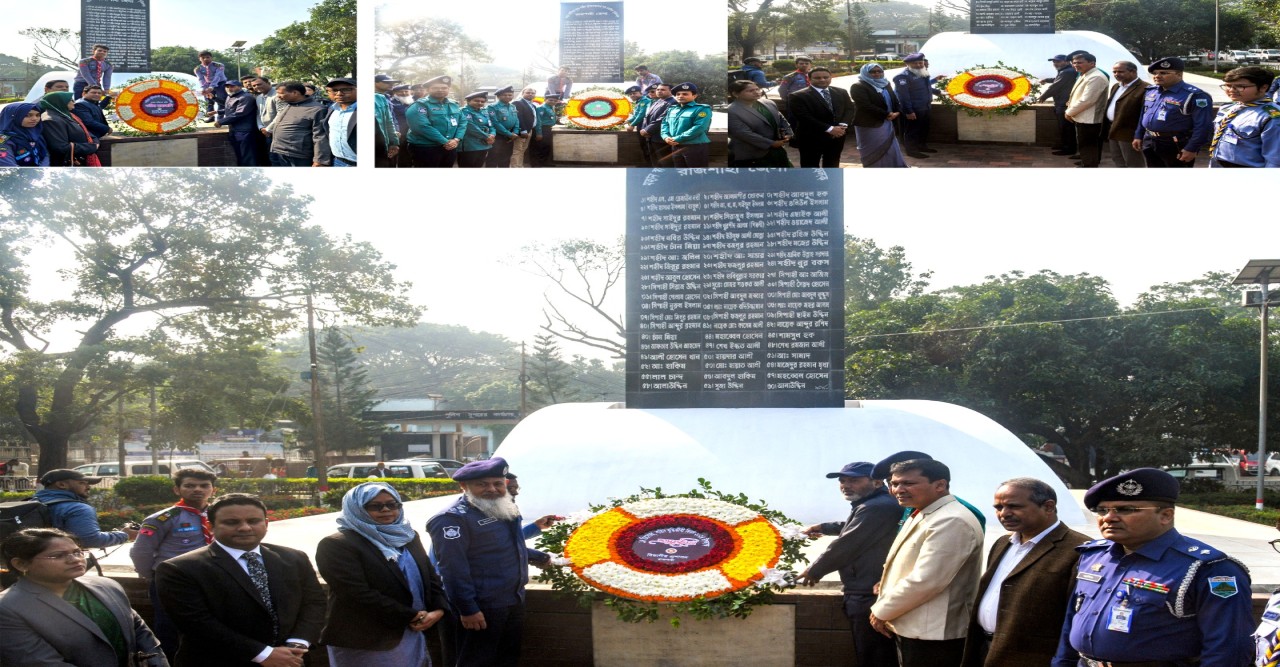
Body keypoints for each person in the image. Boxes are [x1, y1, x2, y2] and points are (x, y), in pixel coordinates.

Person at [1052, 468, 1254, 667]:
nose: (1109, 518)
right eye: (1103, 510)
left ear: (1165, 515)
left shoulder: (1210, 569)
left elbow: (1228, 649)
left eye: (1125, 509)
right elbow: (1072, 622)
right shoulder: (1094, 556)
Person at [154, 493, 325, 667]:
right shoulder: (179, 569)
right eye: (231, 522)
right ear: (210, 526)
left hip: (291, 659)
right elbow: (197, 623)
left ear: (266, 524)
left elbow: (314, 602)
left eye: (253, 521)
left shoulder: (294, 558)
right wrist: (264, 654)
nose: (245, 528)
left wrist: (297, 644)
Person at [961, 478, 1089, 667]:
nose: (1004, 514)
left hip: (1033, 658)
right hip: (985, 650)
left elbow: (1075, 617)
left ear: (1048, 507)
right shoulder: (1003, 543)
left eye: (1014, 506)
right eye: (998, 507)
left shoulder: (1079, 550)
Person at [315, 483, 446, 666]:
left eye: (392, 504)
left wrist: (439, 609)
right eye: (375, 506)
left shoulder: (407, 536)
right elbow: (356, 594)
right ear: (356, 508)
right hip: (369, 640)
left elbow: (430, 577)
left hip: (416, 631)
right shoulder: (337, 545)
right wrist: (412, 615)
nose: (386, 510)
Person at [869, 459, 982, 667]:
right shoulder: (925, 512)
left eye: (908, 483)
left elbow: (927, 580)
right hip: (916, 627)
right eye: (894, 484)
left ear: (940, 485)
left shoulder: (951, 520)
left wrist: (881, 611)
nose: (898, 490)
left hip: (933, 635)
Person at [0, 528, 167, 666]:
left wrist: (157, 661)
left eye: (78, 552)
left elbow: (137, 627)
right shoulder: (9, 608)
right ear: (21, 564)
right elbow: (38, 661)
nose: (75, 560)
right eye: (58, 555)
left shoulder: (106, 586)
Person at [426, 457, 533, 667]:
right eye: (482, 484)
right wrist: (468, 609)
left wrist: (544, 557)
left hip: (512, 601)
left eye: (497, 483)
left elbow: (510, 547)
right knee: (474, 661)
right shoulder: (452, 519)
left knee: (506, 659)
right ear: (464, 486)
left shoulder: (503, 509)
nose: (492, 489)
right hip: (481, 607)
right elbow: (453, 570)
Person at [796, 462, 899, 667]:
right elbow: (853, 526)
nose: (845, 485)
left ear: (877, 482)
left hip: (867, 591)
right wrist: (823, 527)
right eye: (842, 481)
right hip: (864, 587)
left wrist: (815, 570)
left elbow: (847, 544)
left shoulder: (876, 507)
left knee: (874, 654)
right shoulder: (873, 504)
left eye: (854, 480)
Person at [130, 469, 217, 663]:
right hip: (173, 583)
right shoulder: (163, 518)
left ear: (213, 489)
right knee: (170, 629)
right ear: (177, 490)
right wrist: (154, 576)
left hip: (211, 580)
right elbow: (141, 552)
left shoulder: (218, 515)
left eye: (204, 486)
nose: (197, 490)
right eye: (189, 485)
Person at [1132, 57, 1215, 167]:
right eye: (1155, 73)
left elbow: (1203, 126)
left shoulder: (1195, 95)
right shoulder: (1151, 91)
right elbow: (1144, 114)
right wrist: (1138, 135)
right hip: (1149, 140)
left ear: (1179, 74)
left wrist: (1192, 148)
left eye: (1163, 73)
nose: (1157, 76)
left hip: (1175, 143)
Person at [34, 469, 136, 548]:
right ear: (62, 484)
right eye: (82, 483)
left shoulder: (31, 502)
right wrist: (125, 535)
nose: (88, 487)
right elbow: (90, 540)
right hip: (55, 566)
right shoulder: (78, 508)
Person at [1208, 66, 1280, 168]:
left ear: (1263, 87)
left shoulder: (1271, 117)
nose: (1232, 90)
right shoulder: (1228, 108)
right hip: (1217, 164)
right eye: (1228, 85)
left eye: (1240, 86)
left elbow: (1275, 159)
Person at [788, 67, 854, 168]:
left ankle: (830, 183)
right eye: (817, 78)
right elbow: (804, 117)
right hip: (811, 137)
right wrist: (830, 129)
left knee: (832, 164)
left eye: (825, 77)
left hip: (837, 136)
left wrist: (843, 125)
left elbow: (849, 109)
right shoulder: (798, 96)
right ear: (809, 79)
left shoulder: (841, 92)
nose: (822, 80)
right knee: (810, 166)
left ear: (831, 78)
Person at [848, 62, 906, 168]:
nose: (877, 74)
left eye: (879, 71)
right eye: (873, 72)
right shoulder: (858, 86)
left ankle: (892, 166)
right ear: (866, 73)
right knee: (873, 147)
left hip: (888, 121)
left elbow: (894, 99)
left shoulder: (885, 83)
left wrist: (898, 111)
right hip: (870, 123)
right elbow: (864, 105)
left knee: (890, 146)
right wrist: (886, 114)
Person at [727, 80, 793, 167]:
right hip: (753, 155)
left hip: (778, 150)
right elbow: (744, 133)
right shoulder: (731, 111)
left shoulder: (768, 103)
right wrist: (771, 143)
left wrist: (788, 132)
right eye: (750, 91)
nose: (756, 92)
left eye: (757, 89)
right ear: (735, 94)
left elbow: (781, 118)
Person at [266, 81, 330, 167]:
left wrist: (320, 160)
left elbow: (320, 136)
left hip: (298, 155)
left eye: (281, 93)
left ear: (295, 93)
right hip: (279, 151)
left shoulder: (317, 109)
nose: (278, 96)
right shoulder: (289, 105)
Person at [407, 75, 465, 168]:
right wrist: (445, 141)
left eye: (444, 88)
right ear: (428, 89)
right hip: (426, 147)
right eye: (435, 88)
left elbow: (463, 122)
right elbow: (422, 127)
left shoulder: (454, 104)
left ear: (448, 89)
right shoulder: (419, 105)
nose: (440, 90)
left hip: (451, 146)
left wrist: (456, 139)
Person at [893, 53, 943, 157]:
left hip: (925, 106)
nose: (919, 65)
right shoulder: (903, 77)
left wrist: (939, 92)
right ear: (908, 64)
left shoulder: (922, 73)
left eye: (920, 62)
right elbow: (903, 96)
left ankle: (922, 146)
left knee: (924, 128)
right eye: (915, 63)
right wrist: (909, 111)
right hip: (914, 109)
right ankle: (911, 151)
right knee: (912, 130)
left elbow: (926, 87)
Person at [1064, 52, 1109, 168]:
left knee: (1088, 145)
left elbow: (1088, 100)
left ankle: (1089, 165)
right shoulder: (1086, 74)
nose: (1076, 65)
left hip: (1089, 119)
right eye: (1074, 63)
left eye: (1080, 62)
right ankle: (1087, 161)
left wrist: (1069, 112)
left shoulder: (1096, 77)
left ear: (1092, 63)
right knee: (1086, 145)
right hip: (1082, 116)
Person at [1104, 61, 1148, 168]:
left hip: (1129, 133)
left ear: (1133, 72)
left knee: (1134, 162)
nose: (1116, 74)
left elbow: (1145, 114)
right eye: (1114, 72)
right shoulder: (1116, 86)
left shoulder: (1146, 88)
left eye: (1120, 71)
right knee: (1117, 159)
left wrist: (1139, 135)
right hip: (1113, 129)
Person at [40, 92, 100, 167]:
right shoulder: (51, 120)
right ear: (61, 102)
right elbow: (61, 147)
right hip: (67, 166)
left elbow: (85, 131)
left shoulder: (66, 114)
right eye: (71, 100)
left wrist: (95, 141)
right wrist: (92, 147)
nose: (74, 102)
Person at [661, 82, 713, 168]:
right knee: (680, 172)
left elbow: (699, 127)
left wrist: (676, 138)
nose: (680, 96)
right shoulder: (672, 109)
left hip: (694, 146)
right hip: (676, 146)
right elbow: (665, 123)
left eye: (685, 94)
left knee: (696, 173)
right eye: (678, 94)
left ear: (694, 96)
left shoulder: (702, 109)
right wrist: (665, 136)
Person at [1038, 54, 1079, 155]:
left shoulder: (1067, 72)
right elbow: (1058, 79)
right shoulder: (1066, 71)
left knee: (1066, 127)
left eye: (1058, 61)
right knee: (1064, 127)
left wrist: (1043, 96)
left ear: (1066, 62)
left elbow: (1056, 86)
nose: (1055, 64)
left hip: (1064, 103)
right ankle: (1065, 145)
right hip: (1063, 102)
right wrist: (1047, 80)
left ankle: (1069, 148)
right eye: (1054, 62)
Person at [215, 80, 259, 167]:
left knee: (247, 156)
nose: (229, 88)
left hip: (245, 131)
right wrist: (217, 112)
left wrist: (221, 121)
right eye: (227, 87)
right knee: (239, 155)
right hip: (234, 130)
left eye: (232, 86)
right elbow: (230, 109)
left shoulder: (246, 97)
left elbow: (239, 113)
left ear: (239, 87)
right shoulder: (231, 96)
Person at [640, 83, 676, 166]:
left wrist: (647, 130)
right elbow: (647, 117)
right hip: (651, 136)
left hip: (661, 137)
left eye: (663, 90)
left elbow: (663, 119)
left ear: (671, 91)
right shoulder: (658, 101)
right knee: (655, 160)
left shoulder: (673, 102)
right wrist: (644, 129)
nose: (659, 91)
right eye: (658, 89)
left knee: (665, 161)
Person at [324, 77, 357, 166]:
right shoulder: (331, 109)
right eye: (334, 90)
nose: (339, 94)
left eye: (346, 90)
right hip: (337, 161)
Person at [459, 91, 496, 168]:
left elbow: (490, 124)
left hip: (484, 144)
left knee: (478, 165)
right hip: (470, 145)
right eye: (476, 101)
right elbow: (470, 127)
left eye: (482, 101)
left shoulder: (484, 111)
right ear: (468, 101)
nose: (479, 103)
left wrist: (492, 134)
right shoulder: (464, 111)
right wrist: (487, 137)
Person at [486, 86, 521, 168]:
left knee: (506, 157)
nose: (508, 97)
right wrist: (508, 134)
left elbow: (516, 120)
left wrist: (515, 132)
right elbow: (495, 122)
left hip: (511, 136)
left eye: (510, 95)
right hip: (497, 136)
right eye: (505, 95)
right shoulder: (492, 107)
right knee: (493, 157)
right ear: (498, 96)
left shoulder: (513, 106)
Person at [248, 76, 279, 166]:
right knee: (271, 157)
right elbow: (259, 113)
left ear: (268, 83)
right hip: (265, 132)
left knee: (278, 158)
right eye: (254, 86)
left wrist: (269, 129)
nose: (256, 87)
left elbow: (281, 114)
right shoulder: (259, 97)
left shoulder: (278, 95)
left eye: (259, 84)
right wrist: (261, 127)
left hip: (277, 131)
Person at [195, 51, 228, 120]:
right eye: (203, 57)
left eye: (207, 57)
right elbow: (201, 79)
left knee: (221, 100)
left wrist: (211, 87)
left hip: (220, 83)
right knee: (209, 101)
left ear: (211, 58)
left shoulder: (219, 65)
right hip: (207, 84)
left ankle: (220, 119)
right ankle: (210, 117)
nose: (205, 59)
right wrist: (204, 88)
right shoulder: (197, 69)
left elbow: (217, 76)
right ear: (199, 59)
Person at [626, 85, 655, 164]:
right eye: (630, 94)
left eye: (634, 93)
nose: (632, 95)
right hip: (641, 125)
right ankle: (647, 164)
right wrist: (626, 121)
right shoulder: (639, 101)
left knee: (646, 146)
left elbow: (641, 115)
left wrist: (632, 125)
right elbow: (636, 115)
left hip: (645, 126)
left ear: (641, 93)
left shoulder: (645, 101)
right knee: (643, 146)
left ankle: (649, 165)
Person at [512, 86, 539, 168]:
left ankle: (520, 166)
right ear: (523, 93)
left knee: (523, 149)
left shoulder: (533, 105)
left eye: (532, 93)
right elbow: (518, 118)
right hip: (522, 131)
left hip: (529, 130)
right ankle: (514, 167)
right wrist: (523, 130)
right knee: (517, 150)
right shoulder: (518, 103)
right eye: (528, 93)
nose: (530, 94)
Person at [375, 81, 400, 168]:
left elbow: (389, 121)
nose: (390, 85)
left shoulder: (380, 98)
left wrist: (394, 142)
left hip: (381, 145)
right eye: (386, 82)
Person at [531, 92, 560, 167]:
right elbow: (538, 121)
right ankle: (537, 164)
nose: (553, 102)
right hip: (543, 129)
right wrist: (539, 133)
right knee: (540, 147)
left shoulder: (551, 107)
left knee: (547, 146)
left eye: (555, 101)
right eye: (550, 100)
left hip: (549, 129)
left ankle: (545, 162)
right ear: (545, 100)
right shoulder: (541, 108)